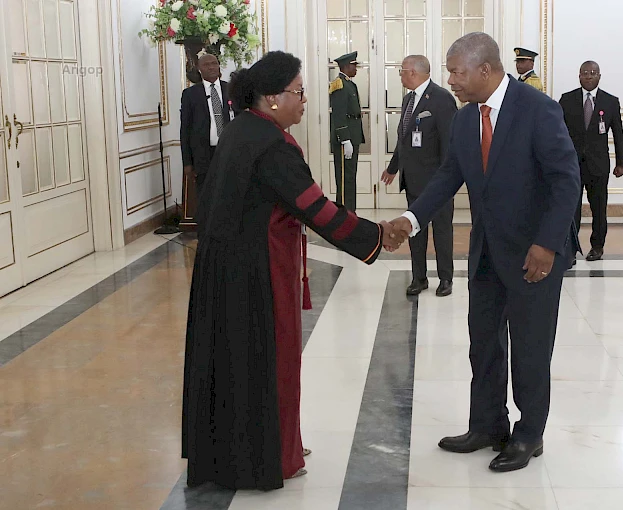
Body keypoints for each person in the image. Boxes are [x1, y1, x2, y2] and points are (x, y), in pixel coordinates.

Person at [182, 50, 403, 491]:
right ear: (271, 98)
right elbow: (314, 209)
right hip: (256, 274)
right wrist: (376, 234)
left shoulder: (241, 130)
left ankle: (234, 452)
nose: (305, 101)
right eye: (299, 93)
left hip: (222, 268)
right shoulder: (272, 145)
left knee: (229, 362)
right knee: (269, 360)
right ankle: (268, 455)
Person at [390, 33, 581, 473]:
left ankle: (529, 434)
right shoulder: (464, 120)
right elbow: (446, 178)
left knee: (531, 349)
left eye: (456, 71)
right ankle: (487, 425)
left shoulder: (538, 109)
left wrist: (547, 244)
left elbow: (566, 180)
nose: (451, 79)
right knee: (484, 343)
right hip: (487, 254)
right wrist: (410, 219)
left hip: (536, 255)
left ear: (486, 70)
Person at [382, 55, 457, 297]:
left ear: (413, 72)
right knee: (414, 230)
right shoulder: (408, 100)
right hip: (413, 180)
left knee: (442, 231)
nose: (401, 76)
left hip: (437, 182)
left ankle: (446, 278)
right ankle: (419, 277)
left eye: (402, 71)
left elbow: (449, 143)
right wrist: (393, 167)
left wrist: (447, 180)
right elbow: (403, 140)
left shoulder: (442, 99)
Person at [559, 61, 623, 262]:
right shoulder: (567, 99)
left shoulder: (610, 101)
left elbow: (618, 134)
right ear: (579, 76)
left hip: (599, 165)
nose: (589, 76)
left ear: (599, 76)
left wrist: (621, 162)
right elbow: (558, 132)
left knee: (599, 208)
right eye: (585, 73)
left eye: (593, 73)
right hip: (572, 165)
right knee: (571, 208)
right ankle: (570, 250)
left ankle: (597, 247)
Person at [180, 53, 234, 195]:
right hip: (203, 155)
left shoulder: (231, 89)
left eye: (214, 63)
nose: (211, 67)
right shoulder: (190, 94)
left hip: (228, 152)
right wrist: (187, 163)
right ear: (199, 69)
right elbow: (185, 130)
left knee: (229, 195)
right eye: (206, 65)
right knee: (206, 197)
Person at [329, 51, 364, 210]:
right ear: (346, 66)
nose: (356, 69)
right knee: (344, 179)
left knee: (350, 178)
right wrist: (344, 138)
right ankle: (344, 215)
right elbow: (338, 114)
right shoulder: (339, 84)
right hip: (345, 138)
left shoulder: (349, 83)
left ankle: (351, 214)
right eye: (354, 66)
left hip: (352, 136)